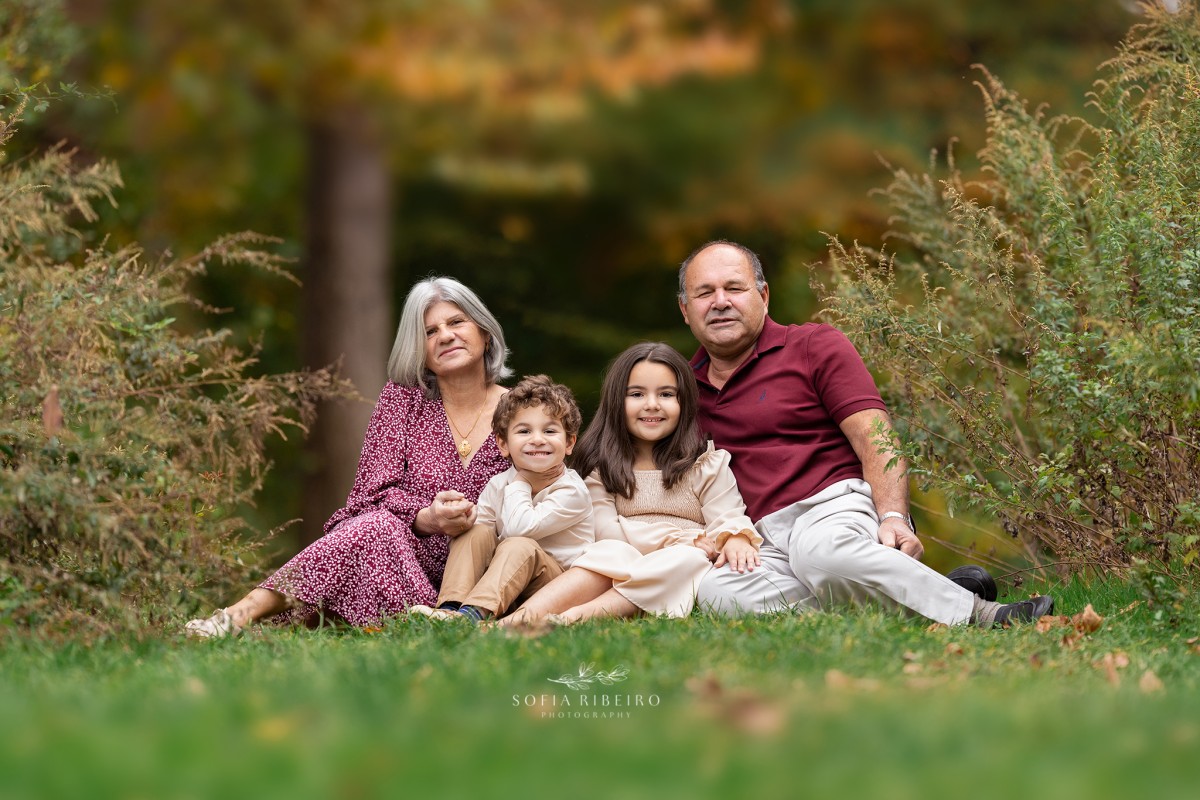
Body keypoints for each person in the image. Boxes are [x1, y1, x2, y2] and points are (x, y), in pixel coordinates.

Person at [678, 240, 1055, 628]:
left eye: (734, 288)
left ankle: (984, 615)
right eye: (704, 293)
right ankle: (935, 592)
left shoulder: (813, 346)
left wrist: (894, 517)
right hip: (758, 538)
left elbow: (875, 436)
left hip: (829, 510)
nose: (720, 301)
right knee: (717, 592)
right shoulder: (680, 392)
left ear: (763, 295)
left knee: (820, 555)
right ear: (685, 310)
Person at [185, 277, 513, 637]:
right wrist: (428, 518)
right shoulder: (402, 400)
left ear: (484, 332)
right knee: (375, 526)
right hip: (397, 566)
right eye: (430, 332)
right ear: (419, 350)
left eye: (456, 322)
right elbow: (366, 500)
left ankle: (266, 620)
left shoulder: (522, 411)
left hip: (484, 585)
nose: (445, 336)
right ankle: (239, 615)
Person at [502, 342, 762, 626]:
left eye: (666, 394)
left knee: (690, 560)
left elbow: (727, 514)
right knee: (608, 552)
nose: (652, 404)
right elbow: (606, 533)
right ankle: (516, 620)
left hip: (677, 569)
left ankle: (570, 618)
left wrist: (735, 537)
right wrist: (680, 537)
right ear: (617, 401)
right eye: (637, 394)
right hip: (619, 563)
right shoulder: (600, 468)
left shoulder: (705, 463)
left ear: (684, 402)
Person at [409, 375, 594, 623]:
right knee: (475, 532)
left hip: (554, 586)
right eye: (524, 431)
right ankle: (451, 607)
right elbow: (483, 537)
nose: (538, 439)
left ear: (569, 442)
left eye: (549, 430)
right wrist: (463, 519)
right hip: (507, 584)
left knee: (519, 544)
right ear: (503, 444)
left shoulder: (572, 491)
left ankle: (472, 616)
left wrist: (520, 482)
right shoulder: (498, 484)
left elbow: (521, 528)